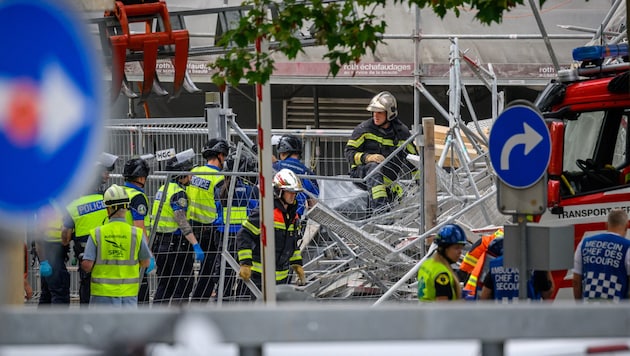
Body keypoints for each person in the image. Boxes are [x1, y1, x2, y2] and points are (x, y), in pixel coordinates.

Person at [344, 91, 418, 214]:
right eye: (374, 112)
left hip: (388, 183)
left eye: (379, 112)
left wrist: (421, 184)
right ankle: (380, 211)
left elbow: (414, 159)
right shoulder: (364, 129)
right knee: (374, 167)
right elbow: (349, 153)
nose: (375, 116)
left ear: (390, 113)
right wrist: (368, 158)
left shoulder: (401, 133)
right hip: (362, 176)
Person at [236, 169, 306, 297]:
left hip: (282, 277)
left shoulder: (293, 216)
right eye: (290, 192)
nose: (293, 196)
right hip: (260, 277)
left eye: (295, 193)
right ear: (279, 191)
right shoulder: (265, 211)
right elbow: (244, 235)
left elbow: (292, 243)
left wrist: (297, 264)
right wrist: (245, 263)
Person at [81, 185, 152, 307]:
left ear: (108, 208)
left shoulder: (97, 233)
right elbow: (145, 263)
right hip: (129, 296)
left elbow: (87, 266)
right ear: (126, 207)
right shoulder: (137, 234)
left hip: (102, 295)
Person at [62, 152, 118, 306]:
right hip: (110, 255)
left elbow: (65, 239)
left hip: (86, 258)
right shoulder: (110, 201)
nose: (107, 176)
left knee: (87, 293)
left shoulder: (73, 206)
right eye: (105, 173)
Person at [151, 149, 205, 305]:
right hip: (175, 246)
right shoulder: (178, 193)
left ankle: (156, 318)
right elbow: (181, 220)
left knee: (165, 285)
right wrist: (195, 244)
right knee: (182, 285)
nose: (191, 176)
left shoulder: (163, 189)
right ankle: (176, 321)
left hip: (161, 244)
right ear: (181, 175)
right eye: (189, 172)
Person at [186, 138, 230, 303]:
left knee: (187, 268)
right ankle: (199, 301)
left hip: (190, 226)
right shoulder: (218, 178)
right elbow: (221, 204)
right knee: (209, 269)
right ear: (219, 155)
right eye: (224, 156)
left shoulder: (194, 171)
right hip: (209, 228)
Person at [215, 150, 259, 300]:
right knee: (244, 270)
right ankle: (241, 299)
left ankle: (224, 299)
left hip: (226, 233)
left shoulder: (221, 187)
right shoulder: (251, 189)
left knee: (225, 271)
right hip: (244, 234)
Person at [573, 208, 630, 301]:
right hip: (617, 311)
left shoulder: (584, 243)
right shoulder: (627, 247)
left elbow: (576, 281)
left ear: (606, 225)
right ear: (626, 226)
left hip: (589, 308)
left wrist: (580, 307)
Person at [480, 237, 554, 302]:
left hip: (502, 315)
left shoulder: (495, 265)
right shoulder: (535, 264)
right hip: (528, 315)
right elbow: (547, 294)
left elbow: (484, 297)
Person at [122, 155, 153, 304]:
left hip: (116, 246)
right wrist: (147, 254)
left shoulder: (118, 191)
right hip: (133, 250)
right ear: (141, 178)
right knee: (140, 292)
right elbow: (139, 227)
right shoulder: (138, 197)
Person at [273, 134, 319, 217]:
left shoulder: (274, 168)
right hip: (295, 218)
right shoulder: (308, 174)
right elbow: (313, 204)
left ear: (283, 152)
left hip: (273, 215)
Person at [417, 224, 466, 301]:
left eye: (461, 248)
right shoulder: (442, 274)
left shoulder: (427, 264)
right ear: (444, 248)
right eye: (456, 248)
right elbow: (443, 308)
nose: (460, 252)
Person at [36, 202, 70, 306]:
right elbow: (38, 237)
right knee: (60, 294)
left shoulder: (45, 206)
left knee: (47, 294)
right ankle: (57, 321)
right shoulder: (55, 208)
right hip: (53, 253)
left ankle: (42, 321)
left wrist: (43, 261)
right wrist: (43, 261)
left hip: (49, 254)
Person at [461, 228, 504, 299]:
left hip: (471, 294)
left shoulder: (485, 242)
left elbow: (465, 269)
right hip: (490, 296)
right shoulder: (505, 247)